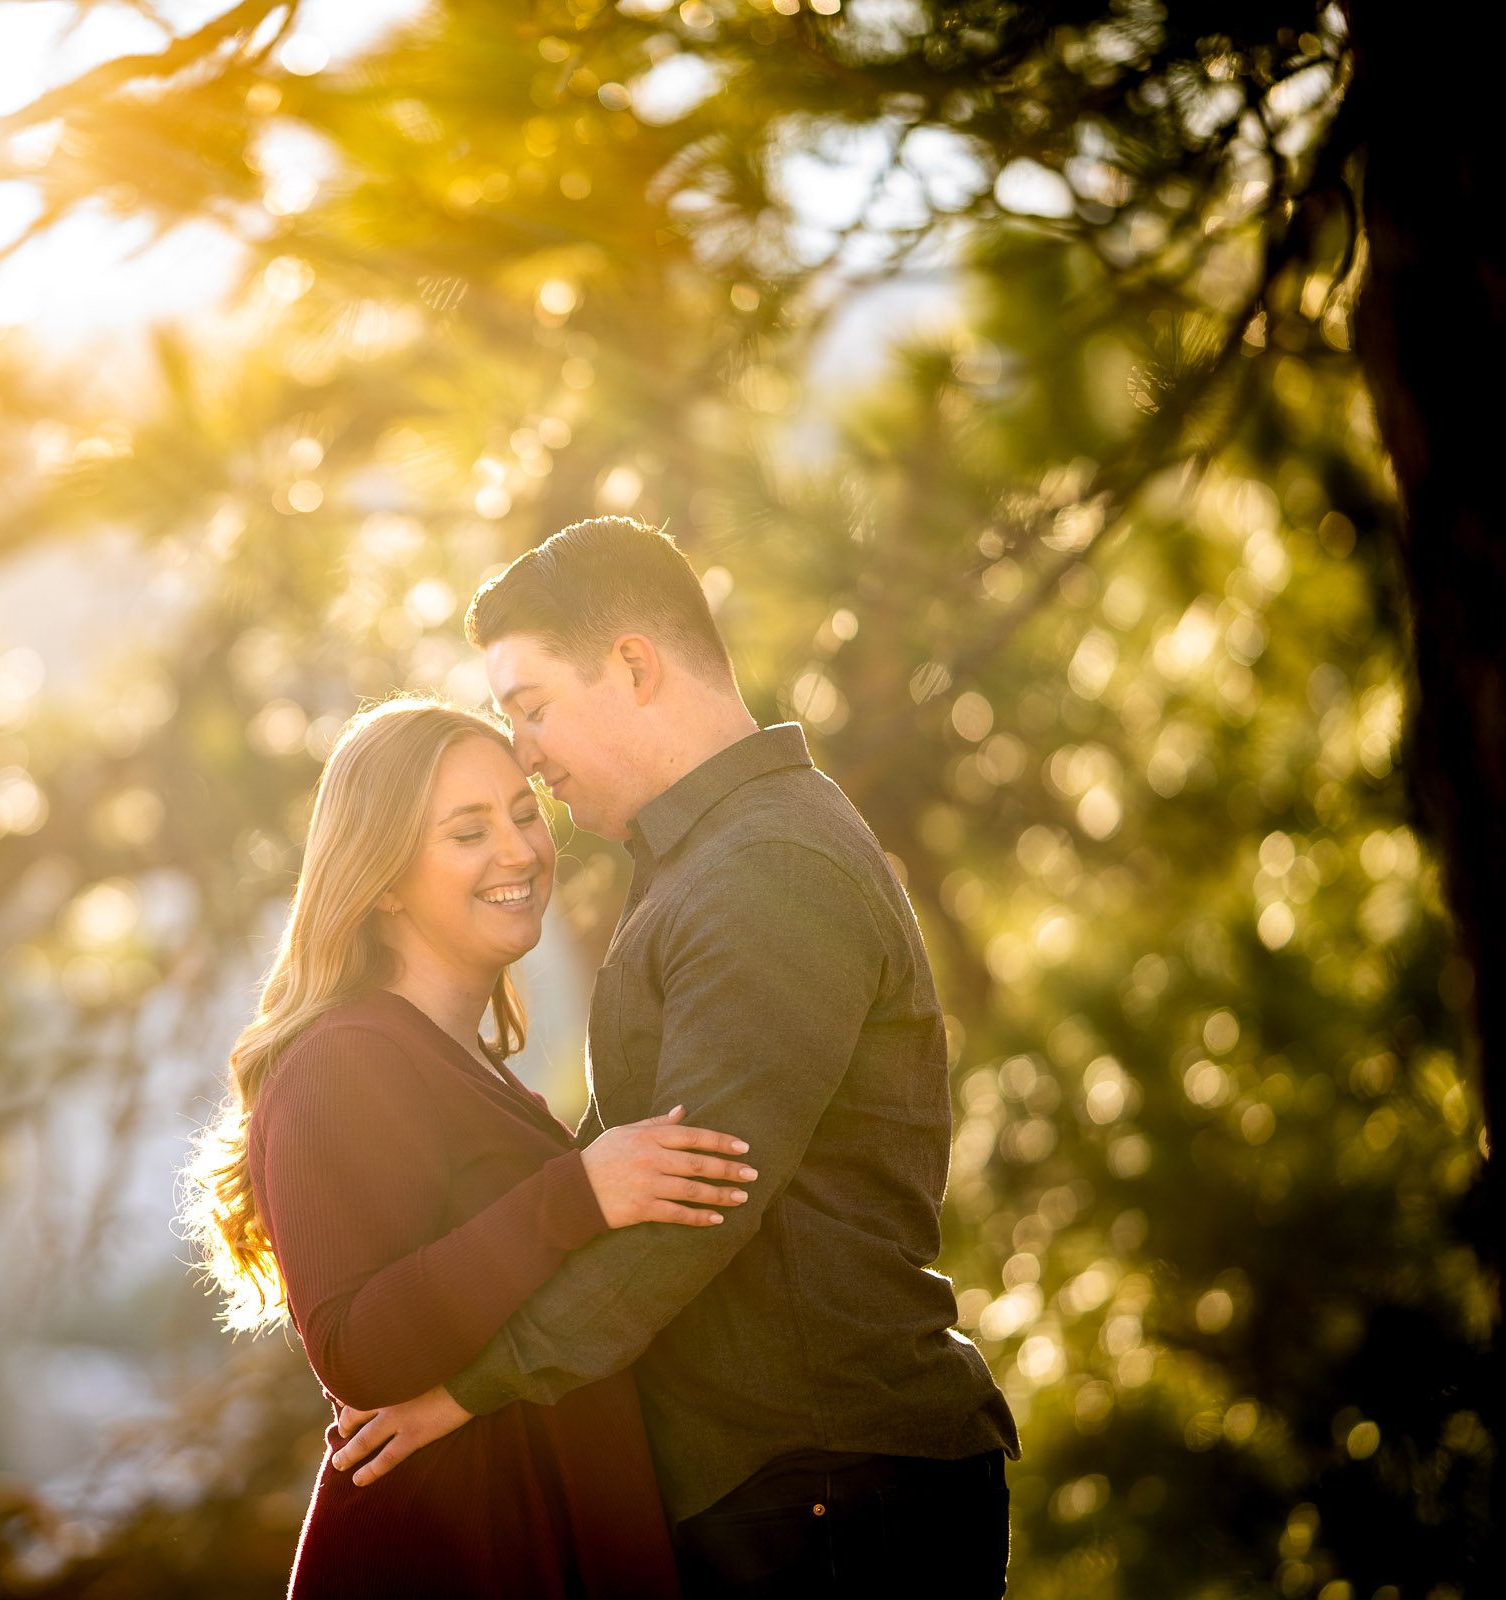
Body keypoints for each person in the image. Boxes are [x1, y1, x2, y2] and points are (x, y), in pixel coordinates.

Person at [329, 519, 1022, 1598]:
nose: (527, 751)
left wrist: (465, 1391)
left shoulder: (767, 870)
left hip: (825, 1490)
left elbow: (692, 1208)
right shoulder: (712, 860)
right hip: (792, 1487)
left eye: (532, 706)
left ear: (634, 666)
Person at [180, 696, 763, 1599]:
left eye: (524, 814)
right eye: (467, 832)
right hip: (451, 1555)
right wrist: (578, 1196)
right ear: (382, 878)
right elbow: (358, 1348)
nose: (520, 851)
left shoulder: (472, 1069)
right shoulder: (341, 1061)